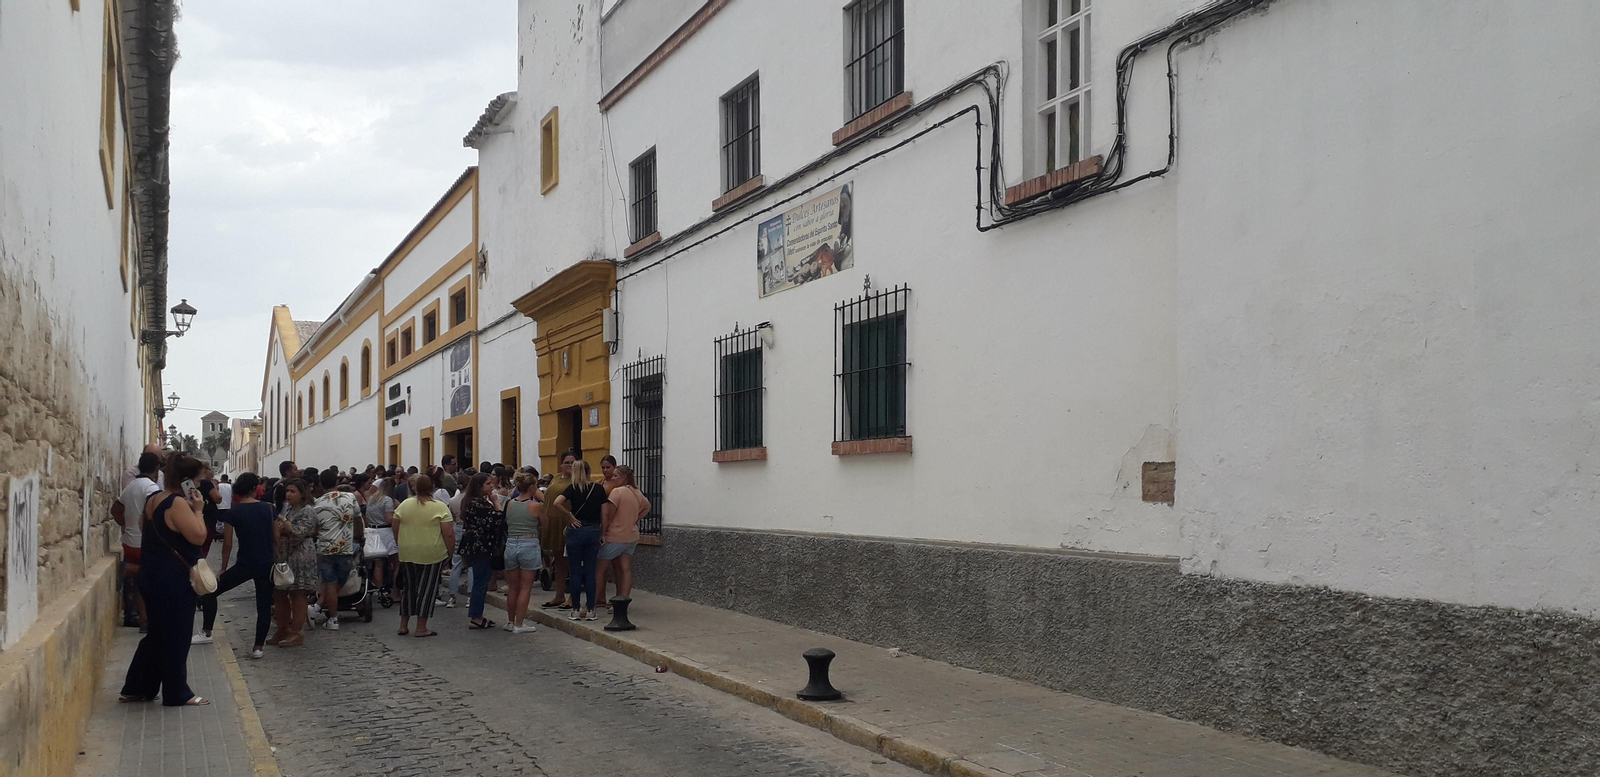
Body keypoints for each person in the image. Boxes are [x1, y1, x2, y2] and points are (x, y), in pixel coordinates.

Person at [119, 452, 210, 706]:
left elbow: (141, 526)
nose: (200, 485)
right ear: (186, 480)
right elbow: (198, 536)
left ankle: (138, 686)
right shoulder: (177, 503)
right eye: (197, 480)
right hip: (172, 579)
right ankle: (177, 692)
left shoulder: (152, 499)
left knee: (157, 634)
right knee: (177, 635)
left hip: (151, 574)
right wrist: (199, 510)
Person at [195, 472, 274, 659]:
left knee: (210, 592)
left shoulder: (234, 512)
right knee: (263, 606)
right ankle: (258, 647)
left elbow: (228, 543)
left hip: (245, 564)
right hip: (266, 563)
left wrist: (223, 567)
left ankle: (206, 631)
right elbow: (276, 537)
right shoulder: (269, 509)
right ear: (255, 489)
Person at [392, 474, 455, 637]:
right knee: (427, 590)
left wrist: (401, 542)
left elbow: (395, 525)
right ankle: (421, 627)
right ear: (432, 487)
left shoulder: (405, 504)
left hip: (408, 551)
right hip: (431, 552)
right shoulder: (439, 507)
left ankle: (403, 625)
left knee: (409, 588)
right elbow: (448, 533)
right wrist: (450, 552)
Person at [113, 451, 162, 631]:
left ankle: (144, 621)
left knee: (140, 582)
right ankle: (129, 569)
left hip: (129, 541)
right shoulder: (151, 489)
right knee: (155, 575)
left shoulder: (130, 487)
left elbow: (115, 510)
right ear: (156, 469)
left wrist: (127, 525)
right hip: (145, 543)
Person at [554, 459, 605, 622]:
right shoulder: (598, 489)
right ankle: (590, 610)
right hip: (592, 530)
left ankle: (575, 609)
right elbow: (604, 512)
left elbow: (557, 502)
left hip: (575, 531)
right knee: (590, 571)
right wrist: (602, 532)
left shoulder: (573, 487)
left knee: (575, 571)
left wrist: (570, 516)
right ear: (590, 471)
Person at [270, 479, 319, 648]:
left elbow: (298, 533)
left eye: (293, 491)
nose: (288, 494)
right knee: (280, 593)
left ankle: (297, 631)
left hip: (300, 556)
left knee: (298, 594)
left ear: (303, 494)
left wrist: (283, 523)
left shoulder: (307, 511)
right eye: (287, 491)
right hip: (285, 556)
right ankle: (283, 628)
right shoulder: (290, 509)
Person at [312, 468, 362, 631]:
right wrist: (360, 536)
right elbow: (358, 519)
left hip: (325, 548)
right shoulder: (350, 497)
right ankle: (321, 610)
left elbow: (315, 529)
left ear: (321, 484)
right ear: (337, 482)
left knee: (330, 583)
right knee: (341, 581)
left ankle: (329, 616)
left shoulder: (317, 504)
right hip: (345, 547)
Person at [458, 473, 507, 630]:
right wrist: (496, 502)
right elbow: (499, 518)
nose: (492, 486)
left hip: (475, 545)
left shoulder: (470, 502)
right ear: (479, 487)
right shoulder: (479, 504)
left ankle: (476, 614)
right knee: (481, 581)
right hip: (481, 546)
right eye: (488, 484)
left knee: (480, 580)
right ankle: (476, 616)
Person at [598, 466, 650, 604]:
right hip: (631, 536)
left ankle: (596, 600)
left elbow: (609, 515)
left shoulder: (617, 492)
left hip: (615, 536)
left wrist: (603, 532)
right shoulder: (636, 492)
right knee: (625, 569)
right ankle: (623, 600)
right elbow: (647, 506)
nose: (613, 478)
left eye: (616, 476)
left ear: (623, 477)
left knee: (599, 568)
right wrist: (635, 518)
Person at [502, 470, 543, 633]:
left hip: (511, 543)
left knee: (513, 587)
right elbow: (544, 524)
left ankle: (510, 621)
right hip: (529, 542)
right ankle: (519, 624)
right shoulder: (535, 506)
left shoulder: (510, 503)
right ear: (532, 487)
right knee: (526, 587)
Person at [540, 450, 578, 610]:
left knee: (572, 562)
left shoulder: (579, 480)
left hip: (568, 524)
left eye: (572, 462)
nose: (569, 465)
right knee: (559, 561)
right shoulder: (556, 477)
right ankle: (559, 595)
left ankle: (572, 597)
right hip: (552, 524)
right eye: (567, 462)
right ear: (561, 464)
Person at [363, 476, 399, 595]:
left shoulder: (371, 498)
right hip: (386, 532)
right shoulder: (387, 500)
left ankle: (379, 591)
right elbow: (389, 519)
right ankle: (395, 589)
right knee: (396, 562)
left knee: (378, 563)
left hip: (373, 531)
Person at [197, 464, 225, 560]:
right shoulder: (206, 483)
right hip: (208, 519)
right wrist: (215, 486)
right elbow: (218, 498)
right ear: (203, 470)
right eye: (209, 469)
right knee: (204, 548)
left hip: (200, 518)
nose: (211, 471)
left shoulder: (196, 483)